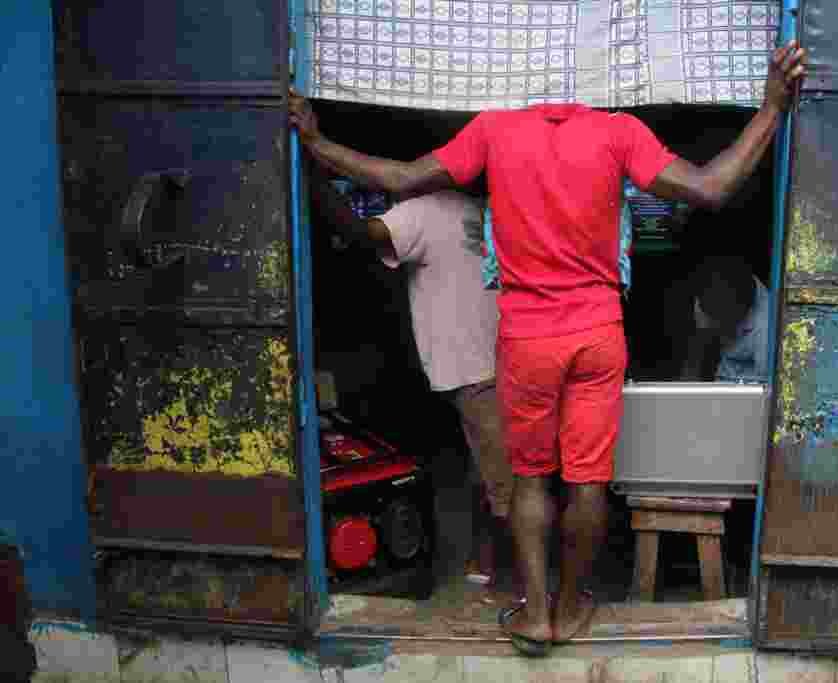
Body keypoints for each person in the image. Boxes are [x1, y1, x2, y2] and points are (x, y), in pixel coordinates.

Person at [290, 40, 806, 656]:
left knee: (531, 481)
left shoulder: (494, 131)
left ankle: (536, 616)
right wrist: (773, 106)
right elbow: (714, 187)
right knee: (588, 483)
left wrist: (317, 144)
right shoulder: (619, 132)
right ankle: (570, 608)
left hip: (527, 339)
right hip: (598, 336)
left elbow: (400, 177)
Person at [309, 166, 517, 601]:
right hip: (486, 363)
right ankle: (501, 574)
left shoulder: (453, 210)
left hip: (488, 364)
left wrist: (314, 174)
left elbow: (358, 232)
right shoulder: (448, 210)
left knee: (497, 477)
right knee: (501, 478)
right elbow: (362, 234)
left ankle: (496, 571)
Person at [688, 254, 772, 383]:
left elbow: (764, 393)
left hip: (750, 382)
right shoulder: (708, 293)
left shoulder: (767, 327)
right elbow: (699, 340)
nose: (715, 326)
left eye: (723, 323)